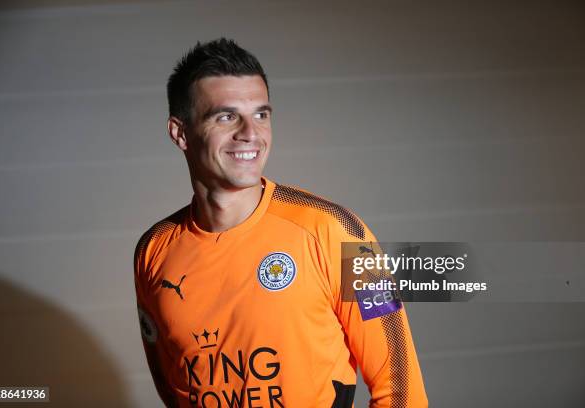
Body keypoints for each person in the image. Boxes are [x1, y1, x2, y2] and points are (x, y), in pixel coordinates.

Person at [134, 38, 428, 408]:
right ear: (180, 133)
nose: (250, 133)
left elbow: (401, 388)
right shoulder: (152, 251)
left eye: (261, 114)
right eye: (226, 116)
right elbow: (173, 387)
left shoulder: (338, 230)